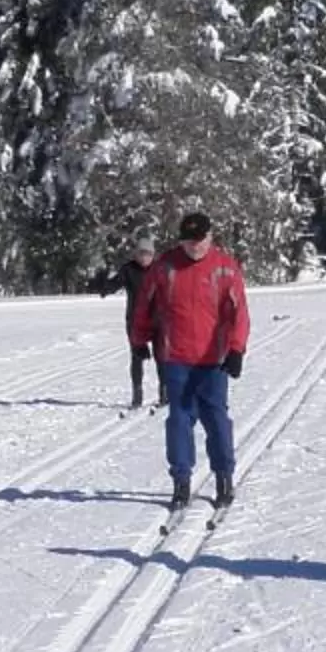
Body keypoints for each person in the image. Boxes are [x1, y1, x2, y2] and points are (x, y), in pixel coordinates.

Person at [128, 209, 251, 510]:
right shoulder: (165, 267)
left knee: (216, 419)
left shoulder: (225, 267)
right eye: (188, 241)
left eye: (199, 240)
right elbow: (144, 304)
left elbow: (240, 313)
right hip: (176, 358)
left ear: (210, 237)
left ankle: (224, 476)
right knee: (179, 421)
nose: (194, 246)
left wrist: (236, 349)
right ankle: (181, 481)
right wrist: (139, 340)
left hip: (213, 360)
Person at [117, 237, 161, 408]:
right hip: (135, 320)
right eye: (141, 254)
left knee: (161, 357)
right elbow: (114, 284)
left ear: (153, 255)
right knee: (136, 357)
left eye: (148, 254)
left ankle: (164, 392)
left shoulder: (159, 269)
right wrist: (102, 285)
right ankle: (137, 393)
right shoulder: (128, 270)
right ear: (136, 255)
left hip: (157, 319)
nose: (144, 258)